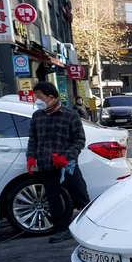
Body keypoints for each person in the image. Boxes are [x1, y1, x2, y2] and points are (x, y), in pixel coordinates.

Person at [27, 82, 91, 243]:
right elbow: (33, 139)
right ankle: (61, 229)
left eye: (39, 97)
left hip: (67, 166)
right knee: (53, 199)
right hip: (46, 165)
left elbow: (79, 141)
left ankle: (91, 227)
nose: (37, 100)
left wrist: (66, 157)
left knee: (81, 195)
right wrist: (30, 157)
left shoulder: (70, 115)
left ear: (50, 97)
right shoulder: (37, 116)